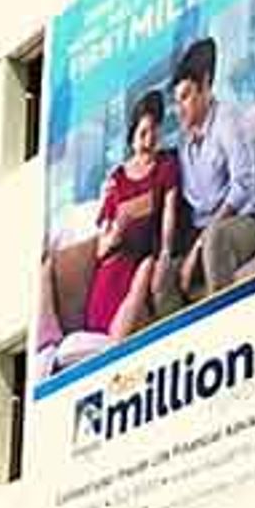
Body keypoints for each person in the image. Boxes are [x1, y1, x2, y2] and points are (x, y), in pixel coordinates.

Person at [154, 37, 255, 316]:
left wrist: (200, 243)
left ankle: (225, 327)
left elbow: (243, 186)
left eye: (187, 96)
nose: (180, 109)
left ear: (205, 87)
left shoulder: (227, 120)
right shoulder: (184, 144)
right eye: (177, 101)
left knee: (214, 239)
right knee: (164, 275)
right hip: (202, 233)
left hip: (244, 222)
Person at [83, 90, 179, 340]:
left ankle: (116, 342)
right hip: (113, 266)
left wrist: (166, 254)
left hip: (144, 260)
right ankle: (109, 342)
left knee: (147, 268)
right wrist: (118, 230)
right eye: (143, 133)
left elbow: (169, 215)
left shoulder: (166, 166)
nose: (148, 141)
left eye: (154, 132)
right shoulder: (117, 179)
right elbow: (101, 250)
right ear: (132, 136)